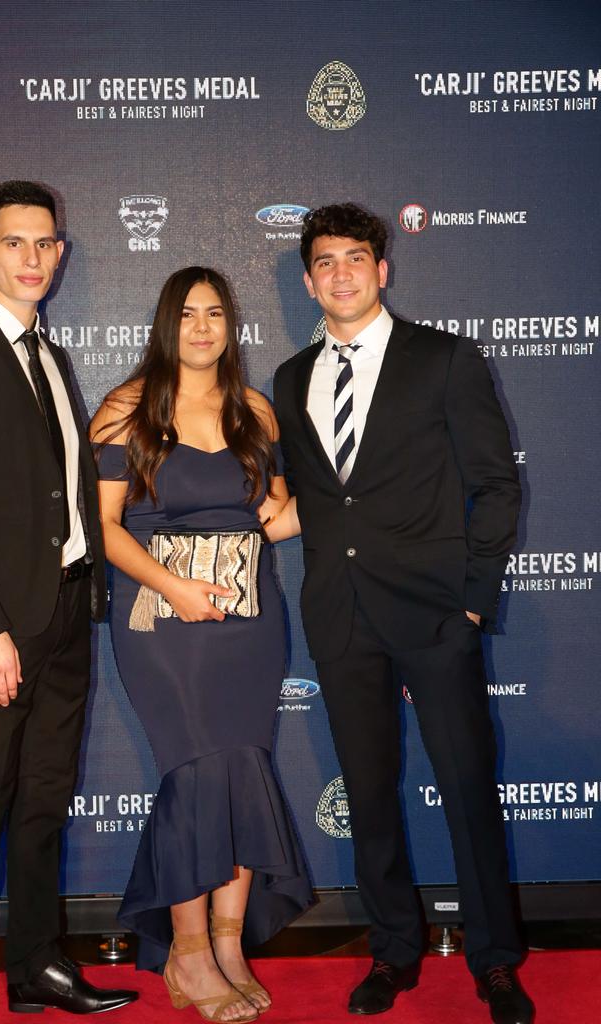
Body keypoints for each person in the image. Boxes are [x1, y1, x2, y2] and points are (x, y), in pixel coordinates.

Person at [271, 203, 533, 1024]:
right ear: (309, 278)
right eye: (324, 261)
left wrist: (471, 604)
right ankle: (393, 949)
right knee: (372, 795)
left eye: (356, 258)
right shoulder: (288, 379)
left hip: (434, 617)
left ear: (382, 270)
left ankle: (495, 961)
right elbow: (311, 500)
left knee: (464, 786)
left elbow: (496, 484)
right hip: (341, 618)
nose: (341, 273)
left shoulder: (445, 360)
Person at [0, 180, 137, 1024]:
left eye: (46, 244)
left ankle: (38, 969)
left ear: (61, 252)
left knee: (44, 803)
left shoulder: (49, 352)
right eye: (15, 243)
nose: (33, 258)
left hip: (70, 616)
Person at [90, 266, 313, 1022]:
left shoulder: (255, 410)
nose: (202, 326)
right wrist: (174, 587)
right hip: (161, 620)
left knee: (244, 768)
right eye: (188, 313)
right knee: (192, 771)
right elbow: (105, 528)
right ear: (165, 323)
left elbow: (275, 514)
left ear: (231, 325)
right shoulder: (127, 409)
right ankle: (186, 954)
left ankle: (228, 945)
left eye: (215, 313)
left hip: (249, 620)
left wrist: (344, 501)